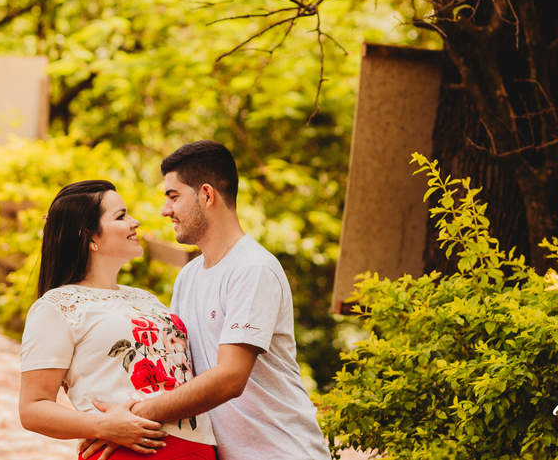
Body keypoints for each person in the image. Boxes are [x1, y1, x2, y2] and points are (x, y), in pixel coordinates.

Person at [81, 141, 330, 460]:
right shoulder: (189, 275)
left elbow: (229, 379)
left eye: (173, 196)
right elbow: (175, 366)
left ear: (207, 195)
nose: (165, 210)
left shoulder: (252, 268)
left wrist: (137, 413)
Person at [19, 179, 218, 459]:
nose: (134, 222)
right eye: (121, 216)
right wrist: (103, 426)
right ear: (90, 237)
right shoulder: (56, 306)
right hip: (130, 452)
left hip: (199, 448)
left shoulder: (147, 299)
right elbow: (32, 408)